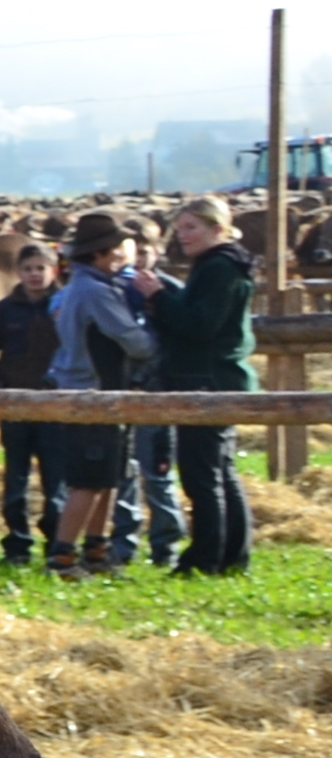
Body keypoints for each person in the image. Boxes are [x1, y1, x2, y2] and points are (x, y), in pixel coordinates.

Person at [45, 210, 153, 579]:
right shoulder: (96, 292)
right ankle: (63, 557)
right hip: (93, 392)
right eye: (115, 250)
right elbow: (132, 340)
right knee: (89, 481)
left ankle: (96, 550)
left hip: (94, 389)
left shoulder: (80, 287)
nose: (120, 256)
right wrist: (156, 340)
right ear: (99, 253)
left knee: (107, 478)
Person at [154, 194, 256, 576]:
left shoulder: (218, 268)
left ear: (217, 228)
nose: (183, 235)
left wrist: (158, 297)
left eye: (191, 227)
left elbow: (200, 326)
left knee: (202, 475)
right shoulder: (225, 264)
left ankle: (206, 557)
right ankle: (233, 554)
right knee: (220, 470)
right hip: (218, 375)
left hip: (205, 379)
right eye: (179, 228)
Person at [0, 243, 63, 567]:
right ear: (18, 273)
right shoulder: (3, 310)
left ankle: (57, 542)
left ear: (53, 270)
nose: (34, 275)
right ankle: (17, 544)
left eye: (40, 268)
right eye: (28, 269)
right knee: (16, 478)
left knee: (56, 478)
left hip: (56, 407)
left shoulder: (63, 306)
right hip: (14, 407)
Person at [114, 227, 181, 569]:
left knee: (157, 472)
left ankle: (166, 544)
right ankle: (123, 544)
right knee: (124, 472)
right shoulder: (114, 291)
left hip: (158, 392)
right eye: (132, 252)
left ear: (157, 252)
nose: (138, 260)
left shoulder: (170, 291)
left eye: (144, 252)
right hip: (121, 391)